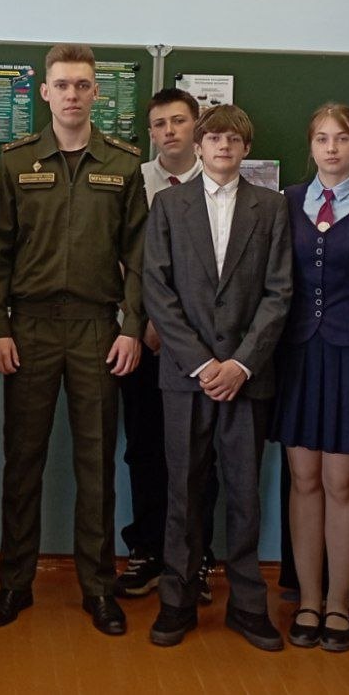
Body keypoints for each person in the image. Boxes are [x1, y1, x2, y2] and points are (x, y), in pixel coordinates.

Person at [0, 44, 148, 636]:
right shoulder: (16, 161)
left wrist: (132, 327)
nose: (72, 94)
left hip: (97, 329)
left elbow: (140, 256)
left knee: (96, 464)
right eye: (62, 85)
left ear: (96, 93)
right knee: (22, 460)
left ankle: (98, 588)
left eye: (82, 85)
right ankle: (14, 583)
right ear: (45, 93)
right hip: (28, 329)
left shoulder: (124, 164)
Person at [143, 104, 292, 652]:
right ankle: (177, 602)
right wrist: (204, 364)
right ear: (199, 147)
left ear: (246, 149)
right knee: (183, 492)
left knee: (245, 495)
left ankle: (248, 606)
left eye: (233, 139)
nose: (223, 146)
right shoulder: (168, 205)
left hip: (247, 377)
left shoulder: (271, 207)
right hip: (187, 377)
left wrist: (241, 363)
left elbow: (279, 292)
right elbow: (157, 289)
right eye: (213, 138)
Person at [273, 103, 349, 653]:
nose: (331, 148)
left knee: (342, 484)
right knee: (303, 481)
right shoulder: (288, 201)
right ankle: (307, 599)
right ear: (312, 145)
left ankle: (339, 603)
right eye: (322, 138)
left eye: (342, 138)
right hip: (300, 357)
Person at [116, 87, 220, 602]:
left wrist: (178, 329)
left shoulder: (219, 182)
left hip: (201, 345)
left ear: (197, 127)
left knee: (200, 453)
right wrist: (145, 321)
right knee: (144, 448)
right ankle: (148, 548)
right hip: (139, 339)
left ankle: (197, 555)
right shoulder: (133, 182)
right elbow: (121, 257)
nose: (169, 131)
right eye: (159, 124)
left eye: (179, 121)